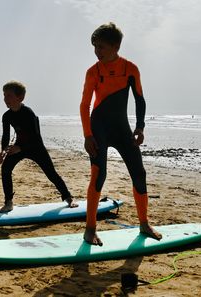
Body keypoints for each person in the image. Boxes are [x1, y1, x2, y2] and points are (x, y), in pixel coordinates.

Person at [80, 22, 162, 246]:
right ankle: (90, 229)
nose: (97, 52)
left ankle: (144, 224)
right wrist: (87, 135)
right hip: (99, 129)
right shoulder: (93, 72)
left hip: (122, 128)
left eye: (101, 47)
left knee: (139, 172)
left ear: (115, 46)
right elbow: (85, 104)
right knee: (99, 175)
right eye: (94, 47)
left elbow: (140, 99)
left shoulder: (130, 69)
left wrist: (141, 126)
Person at [0, 80, 78, 213]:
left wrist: (20, 148)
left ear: (20, 97)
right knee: (5, 168)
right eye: (4, 95)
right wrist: (3, 151)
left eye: (9, 95)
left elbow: (35, 136)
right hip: (19, 146)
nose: (5, 99)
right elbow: (6, 136)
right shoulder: (7, 116)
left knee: (51, 173)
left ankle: (68, 198)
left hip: (36, 147)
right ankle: (8, 203)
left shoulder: (28, 113)